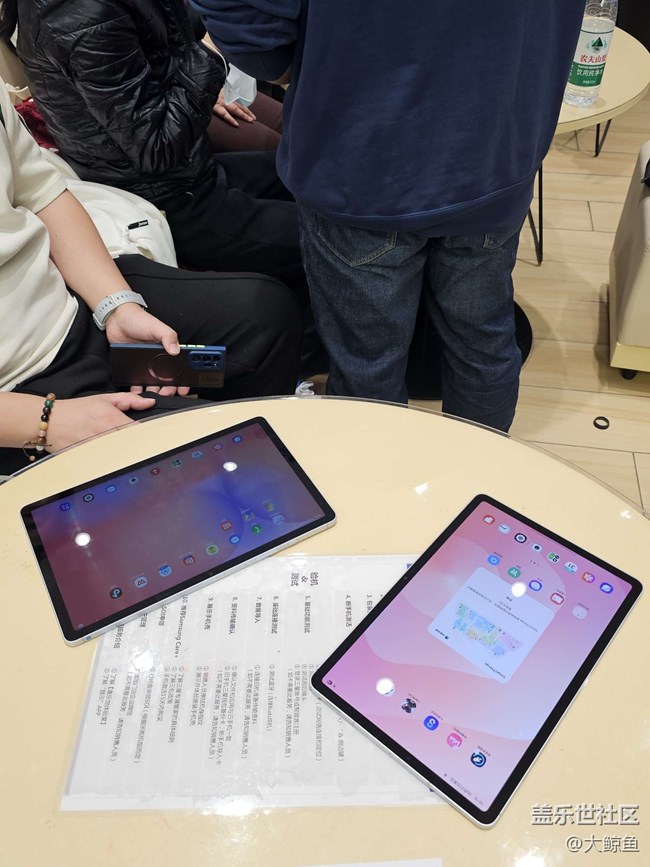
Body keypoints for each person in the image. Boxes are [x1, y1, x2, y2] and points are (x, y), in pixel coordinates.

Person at [190, 0, 587, 432]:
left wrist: (296, 63)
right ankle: (480, 470)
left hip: (364, 161)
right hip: (497, 150)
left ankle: (383, 473)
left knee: (369, 362)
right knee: (482, 344)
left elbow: (242, 16)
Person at [0, 78, 303, 477]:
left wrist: (116, 306)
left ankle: (253, 453)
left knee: (264, 317)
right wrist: (46, 421)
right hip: (20, 393)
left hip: (69, 307)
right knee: (202, 458)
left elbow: (41, 192)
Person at [1, 0, 305, 308]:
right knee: (326, 234)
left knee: (307, 172)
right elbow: (156, 147)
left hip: (191, 167)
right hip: (166, 196)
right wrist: (212, 53)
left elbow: (170, 36)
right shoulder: (81, 17)